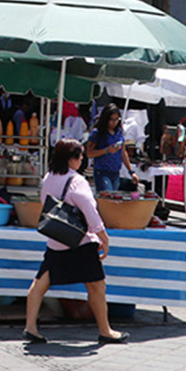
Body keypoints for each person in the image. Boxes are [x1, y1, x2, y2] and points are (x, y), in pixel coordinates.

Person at [23, 138, 128, 345]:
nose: (82, 160)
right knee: (97, 286)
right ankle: (105, 330)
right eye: (80, 157)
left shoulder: (48, 177)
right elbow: (90, 211)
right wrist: (104, 238)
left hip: (57, 240)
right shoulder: (77, 181)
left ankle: (30, 327)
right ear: (72, 158)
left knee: (40, 283)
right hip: (80, 242)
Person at [85, 103, 138, 192]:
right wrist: (107, 150)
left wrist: (131, 172)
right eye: (111, 120)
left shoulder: (119, 132)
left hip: (116, 172)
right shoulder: (97, 133)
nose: (114, 123)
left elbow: (123, 152)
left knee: (113, 200)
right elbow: (89, 153)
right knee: (107, 197)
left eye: (117, 119)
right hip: (102, 171)